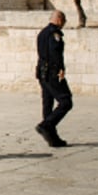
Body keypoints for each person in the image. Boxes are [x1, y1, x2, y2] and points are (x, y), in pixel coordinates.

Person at [34, 10, 72, 148]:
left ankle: (52, 138)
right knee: (66, 101)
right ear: (60, 20)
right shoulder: (54, 33)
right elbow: (55, 52)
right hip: (52, 73)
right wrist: (60, 69)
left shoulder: (42, 33)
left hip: (42, 72)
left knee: (47, 104)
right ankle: (46, 125)